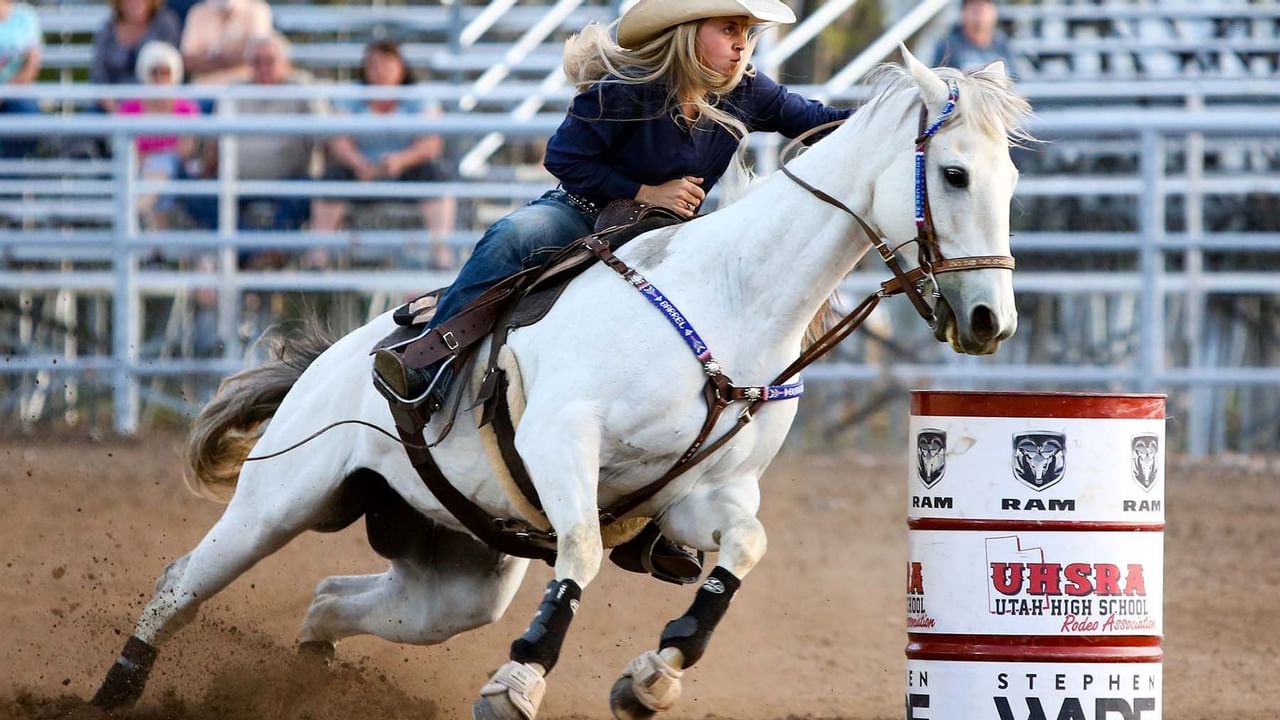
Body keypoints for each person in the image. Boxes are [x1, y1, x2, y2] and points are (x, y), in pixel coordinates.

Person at [373, 0, 851, 583]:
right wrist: (645, 190)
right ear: (686, 34)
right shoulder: (626, 88)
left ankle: (651, 511)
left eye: (747, 32)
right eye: (729, 29)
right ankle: (427, 360)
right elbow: (564, 158)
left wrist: (901, 119)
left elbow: (820, 119)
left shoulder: (747, 90)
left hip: (669, 242)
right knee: (513, 236)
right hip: (584, 214)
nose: (742, 43)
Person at [312, 40, 456, 270]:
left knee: (436, 175)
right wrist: (357, 162)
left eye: (387, 63)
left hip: (405, 170)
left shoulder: (418, 96)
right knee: (331, 178)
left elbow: (431, 143)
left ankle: (441, 254)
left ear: (401, 67)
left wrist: (402, 160)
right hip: (360, 171)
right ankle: (318, 258)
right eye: (374, 64)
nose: (380, 70)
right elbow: (339, 139)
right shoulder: (351, 94)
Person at [180, 33, 325, 241]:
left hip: (290, 181)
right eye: (257, 61)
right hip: (236, 181)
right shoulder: (234, 92)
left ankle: (253, 249)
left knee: (310, 191)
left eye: (270, 61)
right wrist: (205, 170)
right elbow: (213, 145)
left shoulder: (303, 89)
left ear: (286, 63)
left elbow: (327, 135)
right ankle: (255, 249)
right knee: (195, 191)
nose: (264, 67)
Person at [116, 41, 200, 229]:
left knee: (162, 164)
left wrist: (154, 156)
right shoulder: (130, 108)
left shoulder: (186, 108)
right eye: (154, 72)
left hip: (175, 170)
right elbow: (126, 149)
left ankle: (138, 209)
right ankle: (155, 248)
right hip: (139, 169)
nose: (160, 78)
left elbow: (185, 149)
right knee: (156, 178)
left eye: (165, 72)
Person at [90, 0, 181, 110]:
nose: (135, 2)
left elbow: (170, 67)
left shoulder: (164, 23)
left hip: (154, 100)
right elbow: (98, 72)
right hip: (113, 100)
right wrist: (108, 101)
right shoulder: (107, 29)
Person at [180, 0, 272, 84]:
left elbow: (258, 53)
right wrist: (229, 56)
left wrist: (210, 57)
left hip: (243, 91)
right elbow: (188, 60)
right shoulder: (197, 12)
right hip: (202, 90)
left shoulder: (257, 10)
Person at [0, 0, 42, 158]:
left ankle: (10, 178)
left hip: (17, 93)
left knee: (26, 116)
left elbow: (32, 65)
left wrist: (6, 92)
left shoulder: (25, 15)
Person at [932, 0, 1013, 73]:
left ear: (994, 11)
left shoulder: (1003, 44)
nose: (979, 9)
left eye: (984, 4)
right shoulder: (948, 46)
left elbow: (1016, 80)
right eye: (973, 4)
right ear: (963, 11)